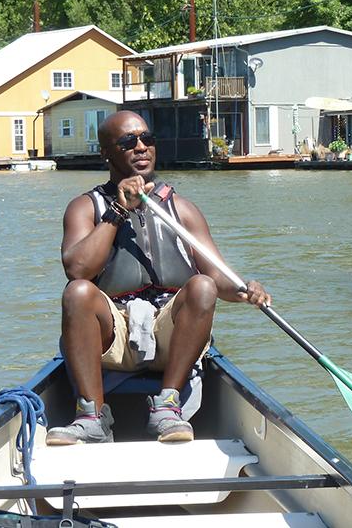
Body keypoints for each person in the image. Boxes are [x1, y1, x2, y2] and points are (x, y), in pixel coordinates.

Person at [45, 110, 271, 445]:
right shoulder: (86, 207)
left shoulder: (182, 208)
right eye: (127, 142)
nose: (141, 147)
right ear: (107, 153)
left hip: (170, 333)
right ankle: (93, 416)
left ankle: (168, 405)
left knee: (203, 286)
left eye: (146, 139)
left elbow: (218, 276)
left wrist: (244, 290)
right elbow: (77, 269)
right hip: (114, 335)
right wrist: (118, 212)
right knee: (77, 292)